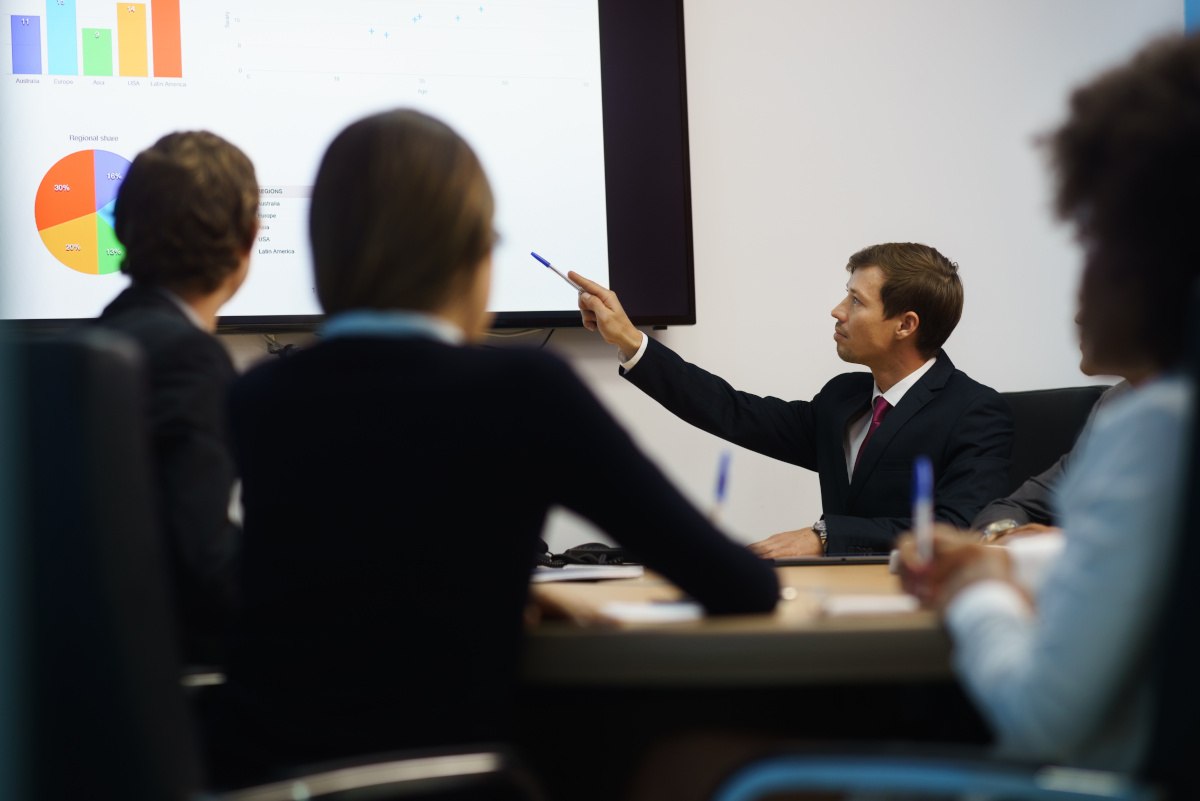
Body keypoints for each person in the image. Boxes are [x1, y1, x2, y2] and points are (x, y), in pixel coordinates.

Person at [200, 109, 779, 785]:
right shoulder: (523, 388)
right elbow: (739, 584)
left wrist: (499, 586)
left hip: (257, 775)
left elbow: (344, 570)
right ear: (471, 253)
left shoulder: (261, 395)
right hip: (443, 782)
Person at [898, 33, 1200, 771]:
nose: (1080, 283)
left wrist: (977, 590)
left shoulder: (1156, 428)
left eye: (1093, 238)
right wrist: (1008, 560)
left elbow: (1042, 719)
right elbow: (1137, 562)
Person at [573, 244, 1014, 556]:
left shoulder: (975, 412)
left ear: (905, 325)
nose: (838, 311)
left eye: (856, 301)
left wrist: (823, 536)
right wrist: (632, 341)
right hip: (835, 602)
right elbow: (734, 412)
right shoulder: (843, 399)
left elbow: (961, 527)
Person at [96, 131, 257, 665]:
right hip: (186, 693)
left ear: (121, 228)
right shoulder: (187, 358)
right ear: (247, 242)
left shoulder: (101, 339)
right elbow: (204, 566)